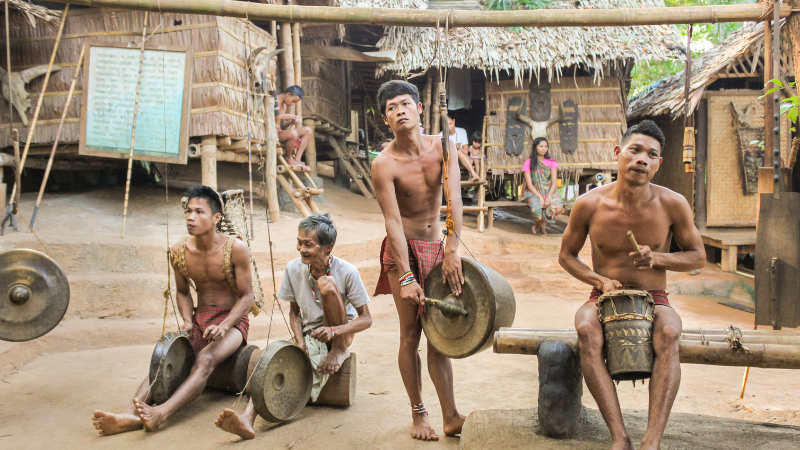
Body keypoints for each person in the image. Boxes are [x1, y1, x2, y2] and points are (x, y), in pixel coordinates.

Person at [558, 120, 705, 450]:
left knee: (669, 332)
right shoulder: (589, 204)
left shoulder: (672, 204)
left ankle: (651, 442)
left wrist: (659, 259)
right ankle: (619, 437)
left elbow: (698, 257)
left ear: (658, 164)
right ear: (617, 153)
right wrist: (598, 280)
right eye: (635, 150)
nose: (641, 159)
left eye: (651, 154)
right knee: (585, 327)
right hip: (603, 298)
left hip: (655, 299)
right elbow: (566, 256)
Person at [92, 186, 254, 436]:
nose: (190, 217)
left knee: (205, 360)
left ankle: (161, 413)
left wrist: (224, 325)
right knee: (165, 358)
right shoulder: (179, 250)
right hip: (199, 318)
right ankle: (129, 413)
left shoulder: (236, 248)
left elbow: (247, 296)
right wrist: (188, 321)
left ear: (216, 218)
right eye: (188, 211)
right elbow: (182, 292)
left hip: (233, 322)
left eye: (199, 212)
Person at [215, 213, 373, 440]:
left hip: (339, 333)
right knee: (272, 360)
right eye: (299, 242)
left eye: (308, 244)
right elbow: (294, 313)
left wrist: (334, 333)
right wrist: (299, 342)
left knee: (327, 285)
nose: (301, 249)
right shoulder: (293, 268)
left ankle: (339, 351)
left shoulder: (347, 271)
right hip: (309, 332)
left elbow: (366, 319)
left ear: (327, 247)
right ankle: (247, 419)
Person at [371, 80, 466, 441]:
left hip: (439, 246)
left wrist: (453, 248)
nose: (400, 110)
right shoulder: (384, 164)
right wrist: (407, 276)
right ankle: (418, 413)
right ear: (386, 119)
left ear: (419, 108)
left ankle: (451, 415)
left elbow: (454, 197)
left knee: (439, 335)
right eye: (392, 107)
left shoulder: (443, 147)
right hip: (403, 251)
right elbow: (392, 221)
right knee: (411, 333)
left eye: (405, 103)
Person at [522, 137, 564, 236]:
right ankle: (542, 229)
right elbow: (529, 184)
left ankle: (539, 224)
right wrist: (540, 197)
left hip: (550, 190)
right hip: (533, 191)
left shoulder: (551, 162)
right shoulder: (528, 162)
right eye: (541, 146)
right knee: (537, 210)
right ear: (535, 147)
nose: (544, 149)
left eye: (546, 146)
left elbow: (554, 182)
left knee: (558, 208)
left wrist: (549, 196)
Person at [277, 85, 313, 170]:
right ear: (288, 94)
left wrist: (290, 122)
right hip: (271, 133)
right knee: (293, 133)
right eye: (293, 101)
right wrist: (284, 116)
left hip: (280, 132)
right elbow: (265, 118)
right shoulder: (272, 101)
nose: (292, 104)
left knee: (308, 130)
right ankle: (288, 158)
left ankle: (297, 159)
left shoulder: (284, 105)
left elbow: (281, 125)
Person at [438, 114, 480, 181]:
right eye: (446, 125)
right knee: (458, 151)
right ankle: (473, 173)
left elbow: (466, 151)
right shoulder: (440, 135)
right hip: (449, 160)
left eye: (450, 123)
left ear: (454, 121)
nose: (449, 126)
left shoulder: (461, 132)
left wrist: (455, 149)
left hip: (462, 160)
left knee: (459, 152)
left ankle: (474, 174)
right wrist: (456, 148)